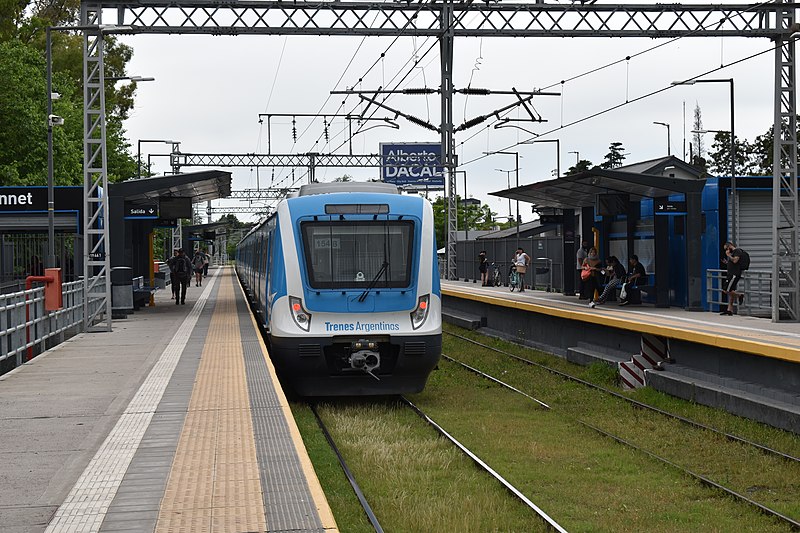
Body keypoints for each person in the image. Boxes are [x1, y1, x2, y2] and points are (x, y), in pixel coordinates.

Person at [721, 241, 747, 316]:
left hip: (734, 274)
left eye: (727, 249)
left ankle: (739, 295)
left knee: (726, 290)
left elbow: (735, 260)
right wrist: (727, 262)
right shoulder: (733, 253)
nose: (726, 251)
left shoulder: (737, 251)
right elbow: (733, 263)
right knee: (731, 291)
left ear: (729, 246)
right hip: (731, 273)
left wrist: (728, 255)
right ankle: (729, 310)